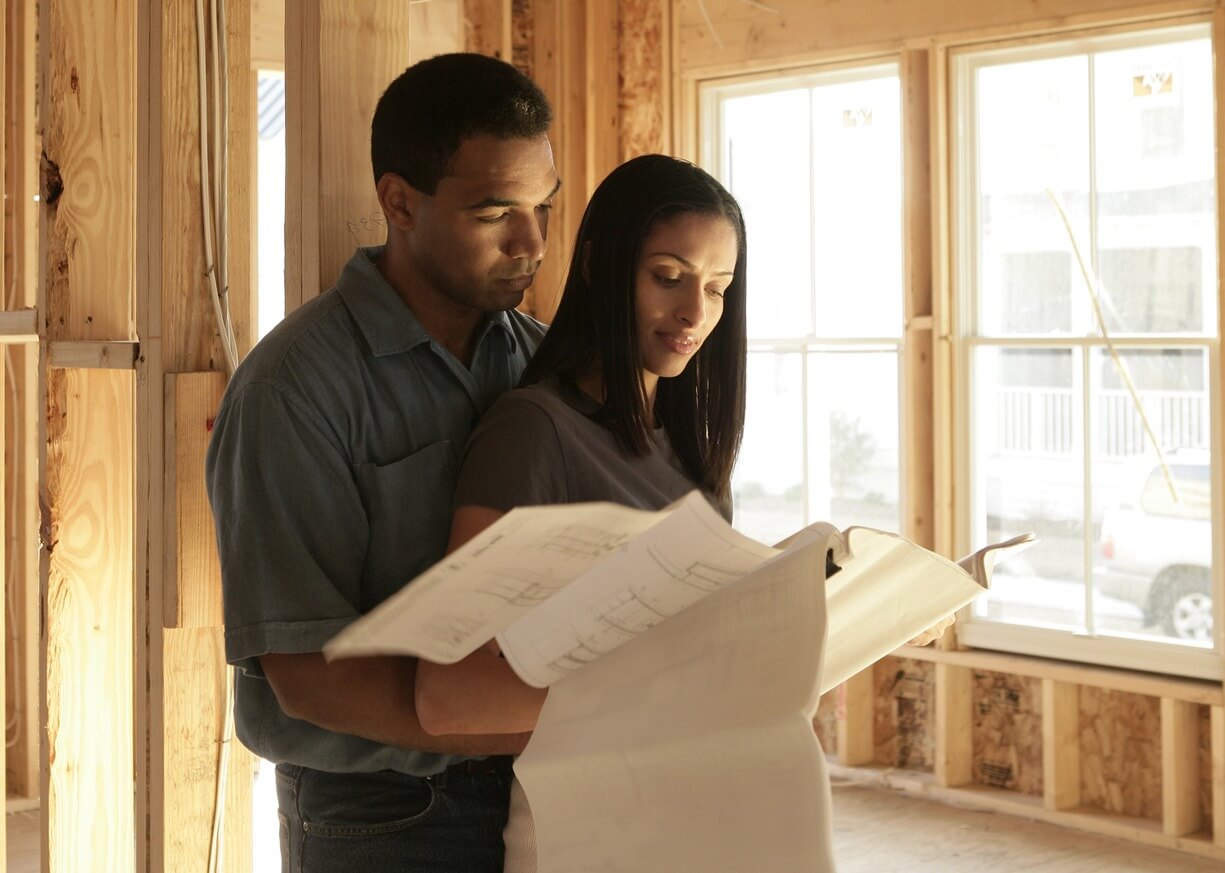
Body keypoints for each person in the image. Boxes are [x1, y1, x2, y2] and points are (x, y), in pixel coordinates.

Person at [206, 53, 560, 873]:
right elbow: (307, 677)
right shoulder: (295, 389)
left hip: (539, 784)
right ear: (399, 202)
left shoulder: (545, 364)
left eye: (543, 205)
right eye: (494, 211)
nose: (531, 241)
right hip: (381, 813)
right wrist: (553, 717)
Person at [412, 153, 754, 871]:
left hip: (694, 806)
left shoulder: (694, 454)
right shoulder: (531, 431)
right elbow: (448, 693)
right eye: (667, 277)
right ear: (601, 267)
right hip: (584, 826)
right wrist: (666, 692)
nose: (695, 312)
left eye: (717, 288)